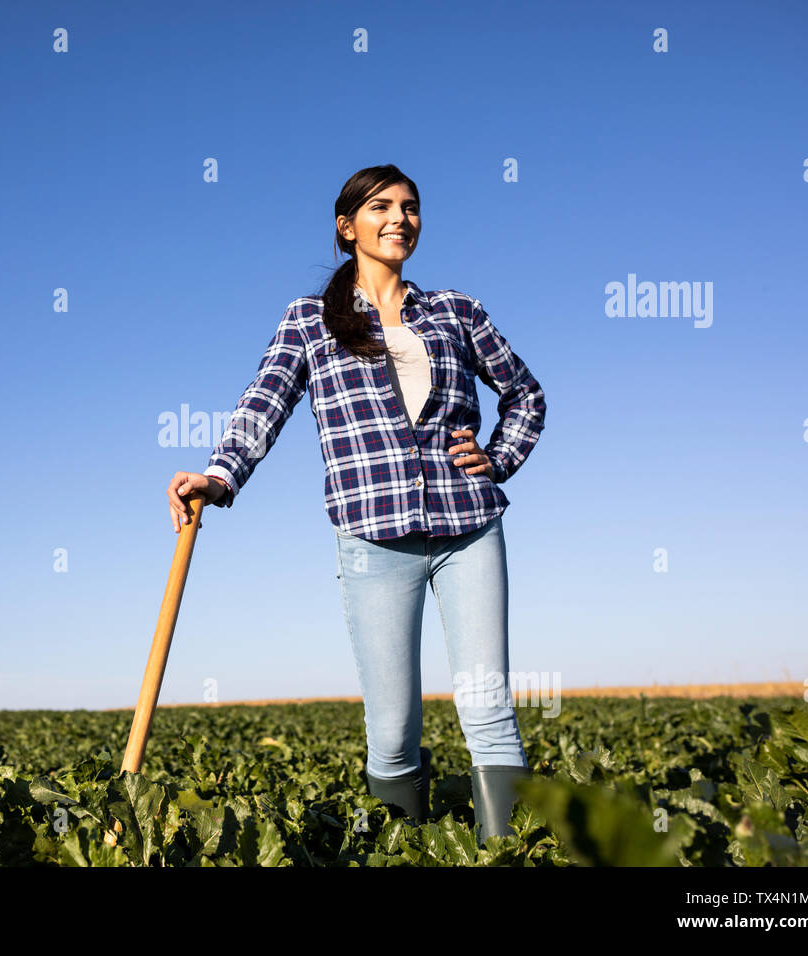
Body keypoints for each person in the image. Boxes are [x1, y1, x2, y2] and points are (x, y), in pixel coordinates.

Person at [165, 165, 546, 843]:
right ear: (348, 227)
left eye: (412, 207)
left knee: (489, 710)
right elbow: (265, 403)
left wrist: (498, 458)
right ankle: (408, 852)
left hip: (469, 529)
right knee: (394, 731)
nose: (400, 218)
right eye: (381, 207)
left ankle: (506, 856)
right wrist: (219, 477)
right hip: (372, 541)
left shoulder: (457, 311)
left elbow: (525, 395)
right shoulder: (310, 321)